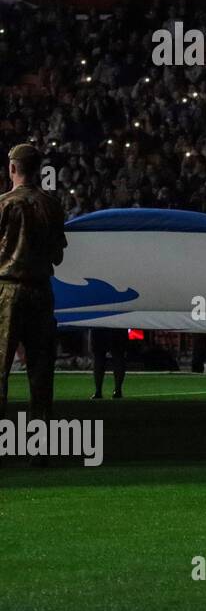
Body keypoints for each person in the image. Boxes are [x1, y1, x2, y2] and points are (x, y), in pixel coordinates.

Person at [0, 144, 67, 428]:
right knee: (41, 371)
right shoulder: (51, 205)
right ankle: (40, 445)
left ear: (12, 168)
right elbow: (58, 255)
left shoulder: (3, 203)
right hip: (40, 290)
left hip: (6, 290)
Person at [90, 327, 128, 399]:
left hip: (100, 326)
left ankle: (98, 391)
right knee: (118, 357)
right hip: (117, 326)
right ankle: (117, 390)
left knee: (99, 358)